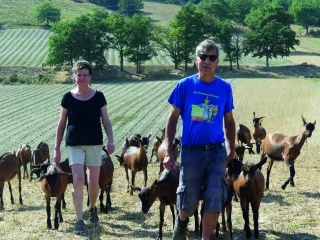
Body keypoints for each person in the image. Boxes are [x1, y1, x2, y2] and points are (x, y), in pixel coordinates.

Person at [163, 39, 236, 240]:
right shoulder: (185, 85)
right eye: (203, 56)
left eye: (211, 57)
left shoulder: (224, 88)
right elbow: (172, 119)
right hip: (191, 151)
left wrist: (231, 148)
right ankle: (182, 223)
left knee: (214, 196)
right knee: (189, 200)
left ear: (217, 62)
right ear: (196, 59)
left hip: (216, 152)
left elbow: (229, 122)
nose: (207, 61)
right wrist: (168, 150)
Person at [53, 60, 115, 235]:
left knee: (93, 182)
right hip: (74, 144)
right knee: (79, 179)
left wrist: (110, 140)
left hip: (95, 143)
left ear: (90, 77)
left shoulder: (98, 96)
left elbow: (106, 120)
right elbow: (61, 124)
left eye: (84, 75)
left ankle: (93, 207)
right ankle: (79, 220)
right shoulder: (67, 97)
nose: (81, 78)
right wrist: (56, 148)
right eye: (78, 75)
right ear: (74, 76)